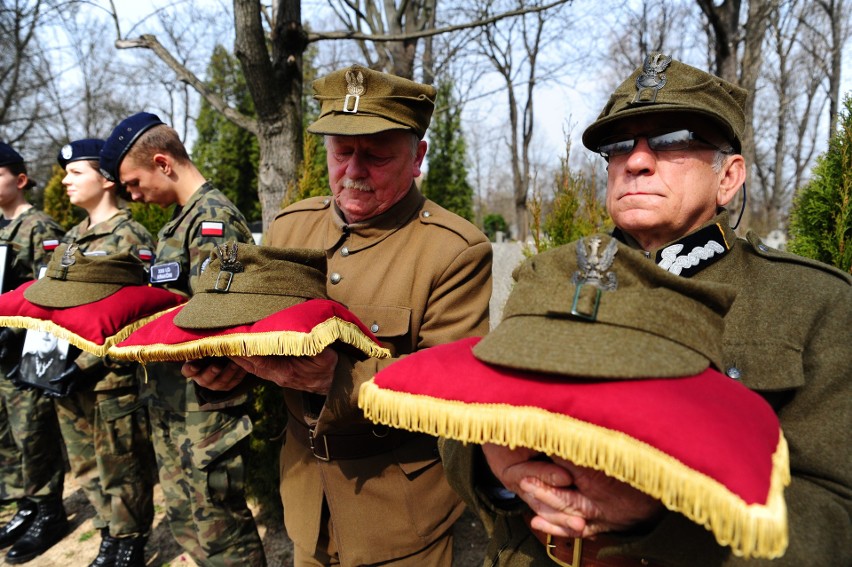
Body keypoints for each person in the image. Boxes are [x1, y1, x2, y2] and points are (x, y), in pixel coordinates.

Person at [441, 53, 852, 566]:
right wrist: (493, 469)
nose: (635, 161)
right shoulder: (550, 276)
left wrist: (659, 509)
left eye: (671, 140)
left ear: (729, 177)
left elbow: (835, 514)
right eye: (618, 146)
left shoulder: (814, 303)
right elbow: (464, 423)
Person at [186, 64, 493, 566]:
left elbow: (451, 389)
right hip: (306, 499)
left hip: (398, 514)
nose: (352, 170)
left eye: (375, 155)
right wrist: (228, 372)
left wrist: (339, 379)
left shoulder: (454, 250)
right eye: (341, 151)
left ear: (417, 157)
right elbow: (259, 335)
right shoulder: (290, 227)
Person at [98, 114, 266, 567]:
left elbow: (219, 318)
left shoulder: (213, 219)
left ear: (162, 162)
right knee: (186, 521)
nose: (131, 195)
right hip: (173, 400)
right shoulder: (179, 223)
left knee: (220, 529)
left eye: (133, 182)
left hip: (205, 403)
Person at [50, 138, 158, 567]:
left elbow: (140, 311)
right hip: (65, 374)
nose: (65, 181)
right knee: (85, 465)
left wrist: (86, 362)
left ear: (107, 180)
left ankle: (128, 543)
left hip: (109, 378)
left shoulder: (130, 236)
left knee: (121, 464)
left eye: (76, 172)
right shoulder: (70, 240)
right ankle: (108, 535)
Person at [0, 142, 69, 564]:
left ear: (20, 179)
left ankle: (49, 510)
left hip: (27, 354)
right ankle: (23, 503)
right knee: (7, 437)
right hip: (0, 355)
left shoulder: (41, 226)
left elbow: (51, 294)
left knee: (32, 436)